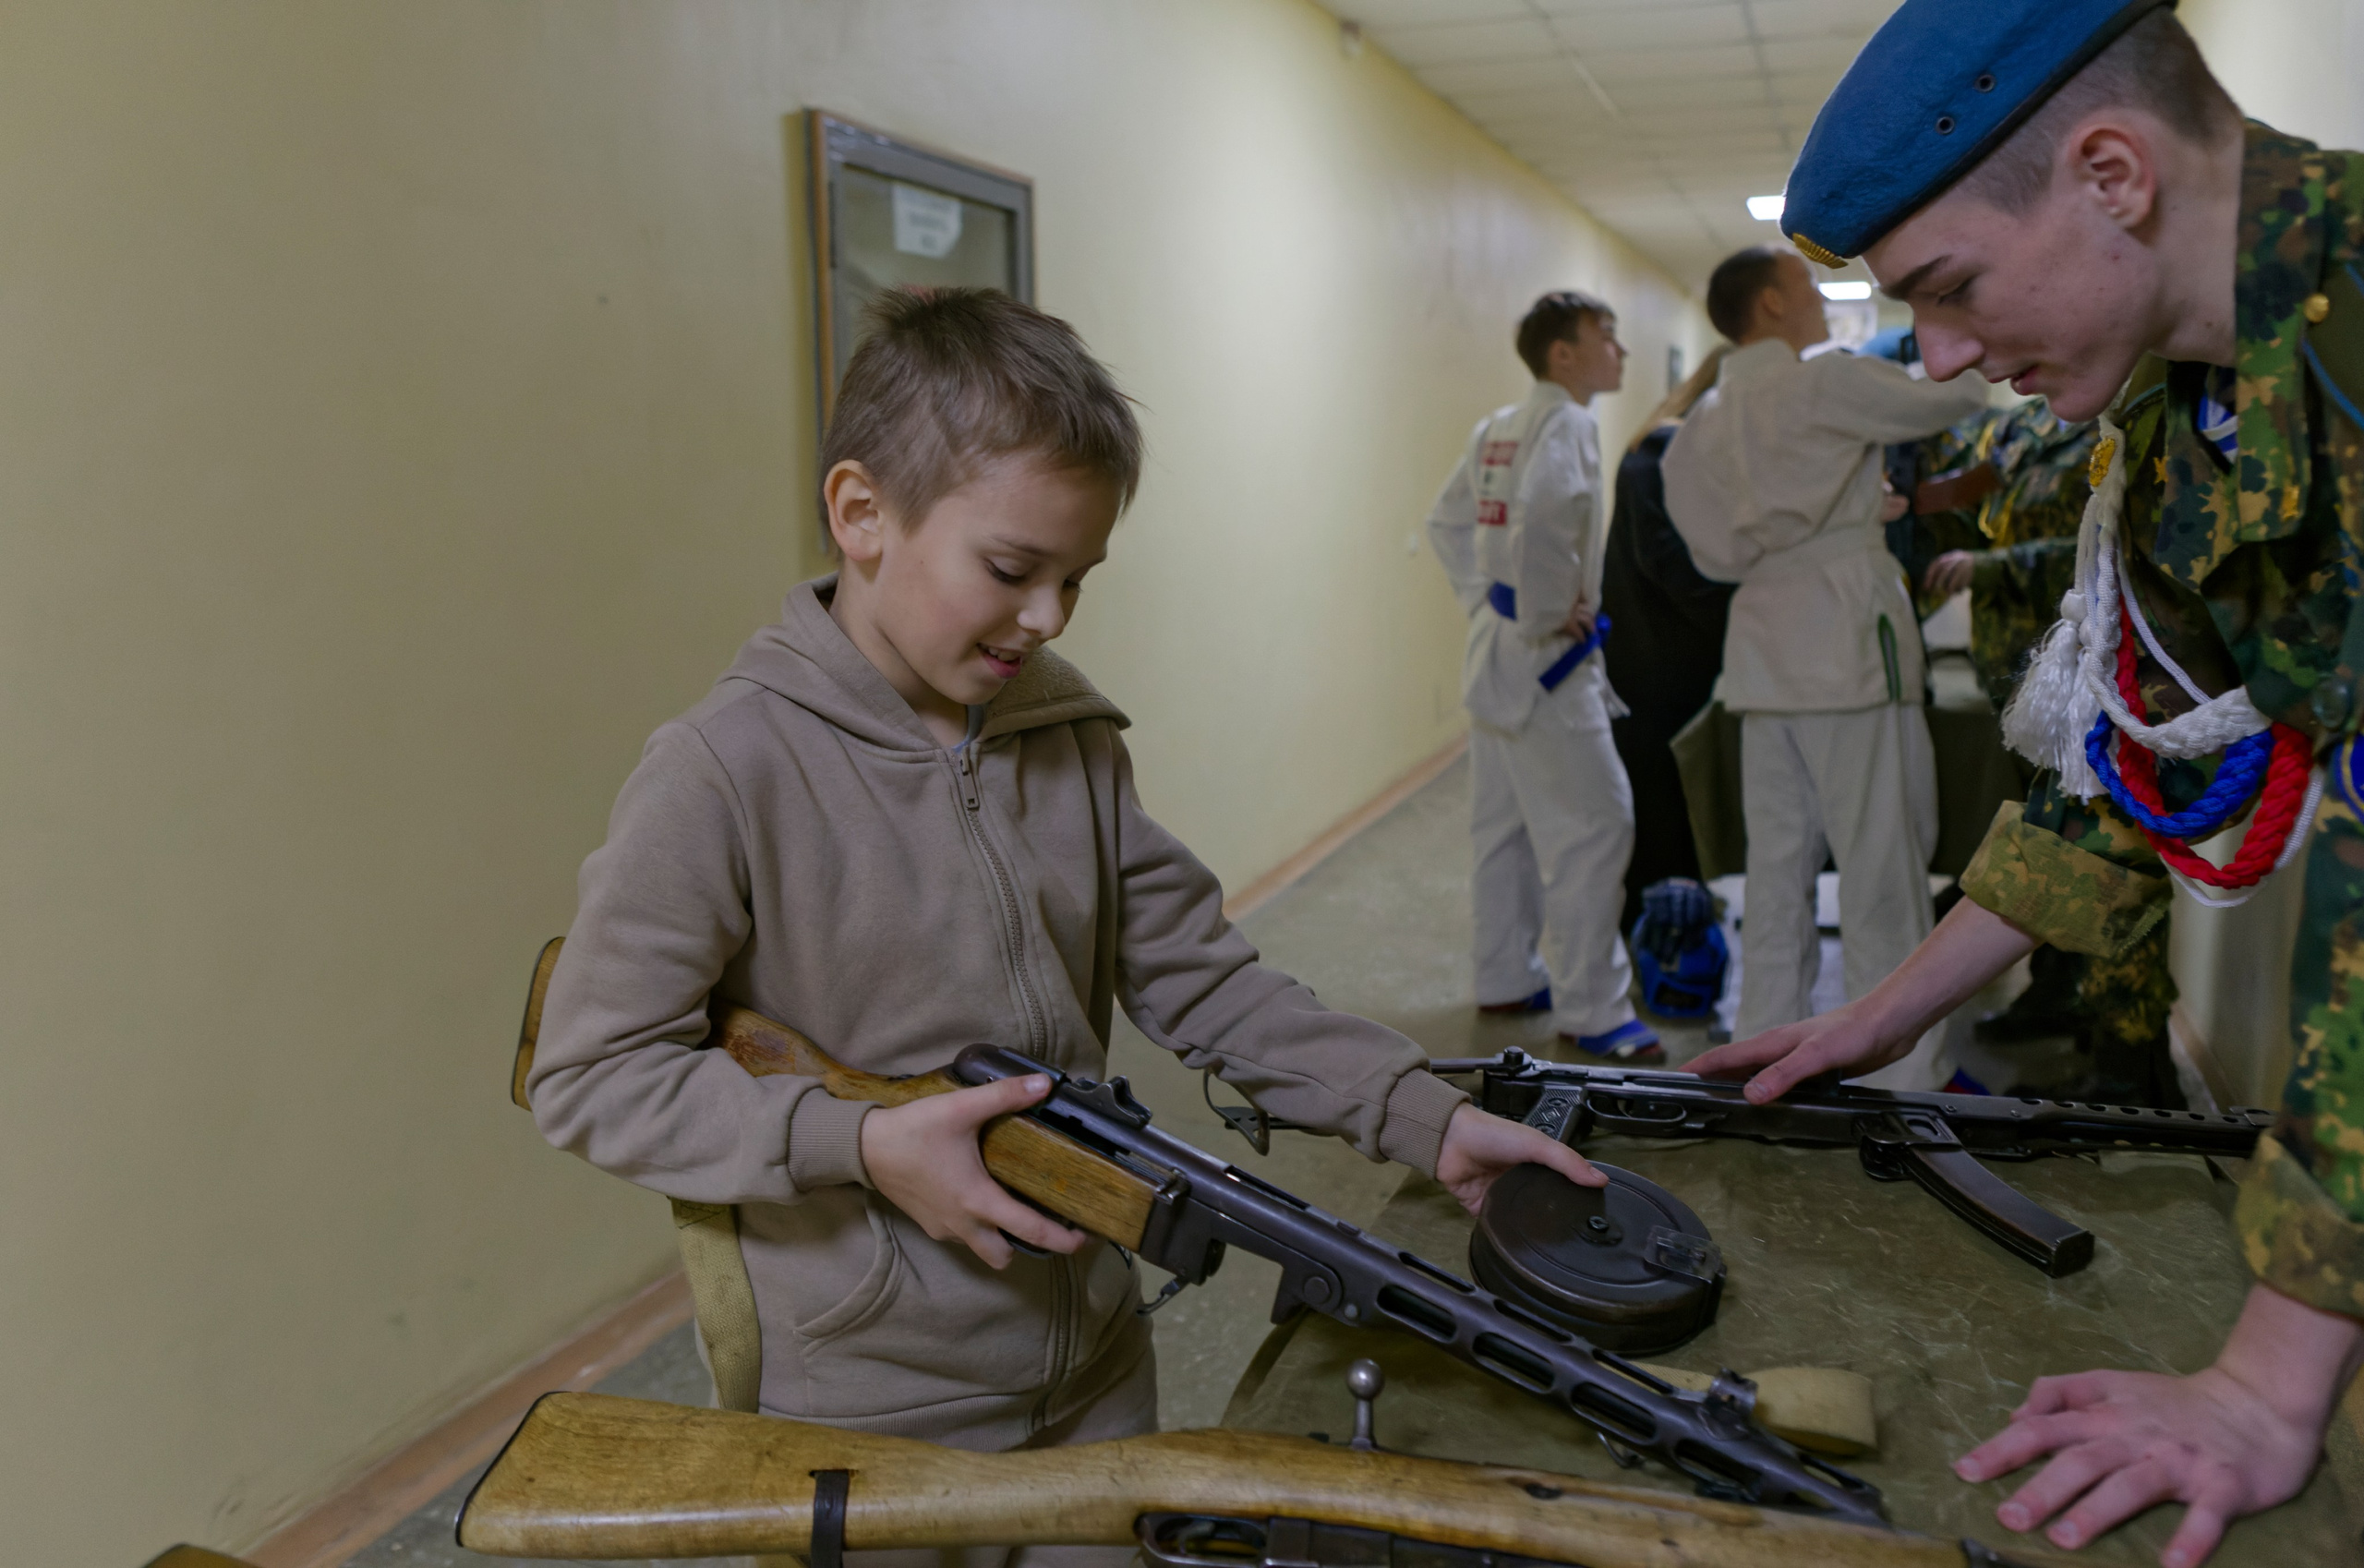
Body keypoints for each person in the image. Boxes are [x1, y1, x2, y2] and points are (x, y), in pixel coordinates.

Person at [527, 288, 1597, 1567]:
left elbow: (1206, 983)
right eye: (1011, 569)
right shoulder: (723, 770)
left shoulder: (1064, 730)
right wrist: (861, 1143)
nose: (1047, 619)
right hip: (869, 1410)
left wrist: (1424, 1114)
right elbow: (592, 1075)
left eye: (1076, 578)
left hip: (1096, 1361)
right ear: (862, 515)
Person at [1691, 3, 2364, 1562]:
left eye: (1949, 287)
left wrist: (2267, 1383)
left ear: (2112, 173)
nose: (1940, 356)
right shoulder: (2182, 408)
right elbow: (2134, 763)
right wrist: (1889, 1004)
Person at [1661, 247, 1987, 1083]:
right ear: (1770, 303)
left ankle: (1763, 1056)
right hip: (1845, 644)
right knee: (1882, 864)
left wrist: (1837, 507)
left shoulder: (1697, 428)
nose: (1819, 296)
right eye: (1806, 284)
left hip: (1762, 658)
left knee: (1775, 876)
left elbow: (1719, 551)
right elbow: (1954, 395)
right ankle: (1904, 1078)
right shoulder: (1824, 382)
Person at [1427, 292, 1658, 1060]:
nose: (1618, 352)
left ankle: (1504, 975)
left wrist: (1488, 604)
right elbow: (1551, 508)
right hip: (1546, 665)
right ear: (1564, 354)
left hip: (1493, 654)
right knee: (1596, 827)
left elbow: (1447, 522)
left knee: (1504, 827)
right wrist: (1545, 611)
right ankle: (1594, 1009)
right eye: (1607, 336)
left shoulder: (1498, 428)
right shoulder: (1569, 424)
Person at [1601, 346, 1735, 932]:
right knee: (1656, 796)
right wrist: (1754, 606)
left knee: (1671, 795)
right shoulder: (1659, 453)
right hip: (1654, 659)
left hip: (1669, 654)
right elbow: (1673, 566)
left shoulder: (1672, 449)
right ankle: (1653, 923)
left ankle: (1669, 908)